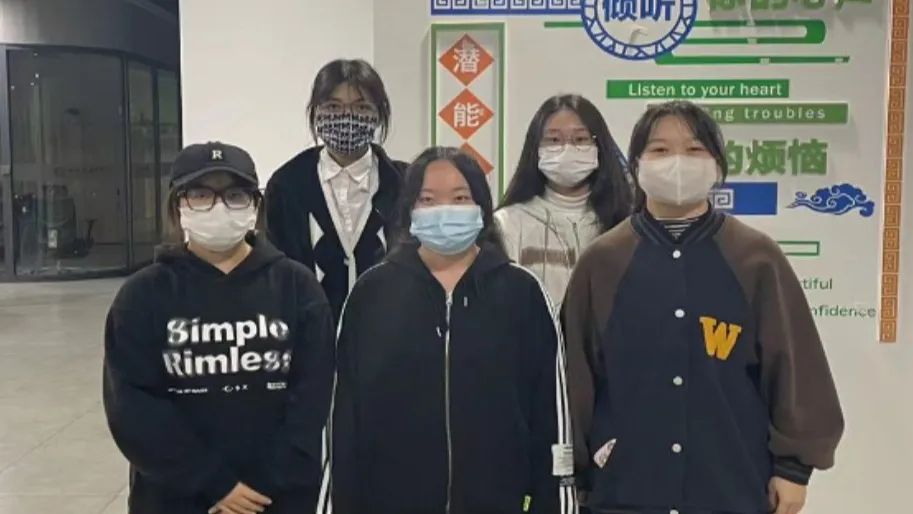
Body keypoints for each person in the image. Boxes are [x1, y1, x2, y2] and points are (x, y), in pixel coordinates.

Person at [562, 101, 844, 514]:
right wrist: (575, 471)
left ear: (716, 164)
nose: (677, 161)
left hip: (731, 485)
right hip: (625, 487)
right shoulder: (603, 261)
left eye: (694, 149)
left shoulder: (755, 257)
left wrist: (793, 469)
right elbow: (576, 376)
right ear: (636, 164)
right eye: (660, 149)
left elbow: (795, 367)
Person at [321, 147, 577, 514]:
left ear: (481, 207)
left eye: (460, 198)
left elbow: (551, 417)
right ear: (410, 210)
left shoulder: (523, 293)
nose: (445, 210)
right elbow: (344, 424)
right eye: (428, 200)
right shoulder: (371, 295)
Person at [103, 142, 336, 514]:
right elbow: (133, 407)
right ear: (177, 206)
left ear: (255, 206)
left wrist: (259, 487)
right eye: (200, 195)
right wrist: (215, 484)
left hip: (276, 497)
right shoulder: (143, 296)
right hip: (175, 497)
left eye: (235, 195)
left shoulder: (297, 288)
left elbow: (311, 400)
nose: (219, 207)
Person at [266, 59, 406, 323]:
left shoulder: (404, 184)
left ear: (379, 114)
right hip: (311, 333)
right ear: (315, 111)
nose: (347, 117)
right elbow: (277, 275)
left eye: (361, 107)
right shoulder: (287, 185)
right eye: (333, 106)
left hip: (390, 331)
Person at [496, 94, 632, 307]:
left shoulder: (627, 223)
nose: (567, 149)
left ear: (599, 147)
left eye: (580, 139)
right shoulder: (508, 224)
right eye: (553, 140)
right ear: (535, 149)